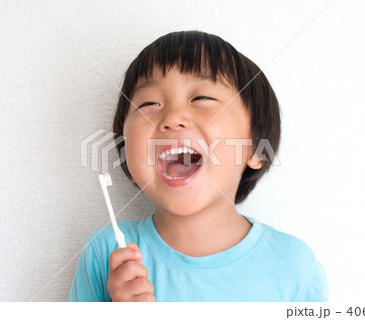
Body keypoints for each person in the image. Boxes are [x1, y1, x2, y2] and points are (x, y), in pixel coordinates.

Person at [68, 30, 329, 302]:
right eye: (149, 104)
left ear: (254, 147)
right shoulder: (108, 254)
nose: (173, 118)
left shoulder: (293, 266)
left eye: (201, 98)